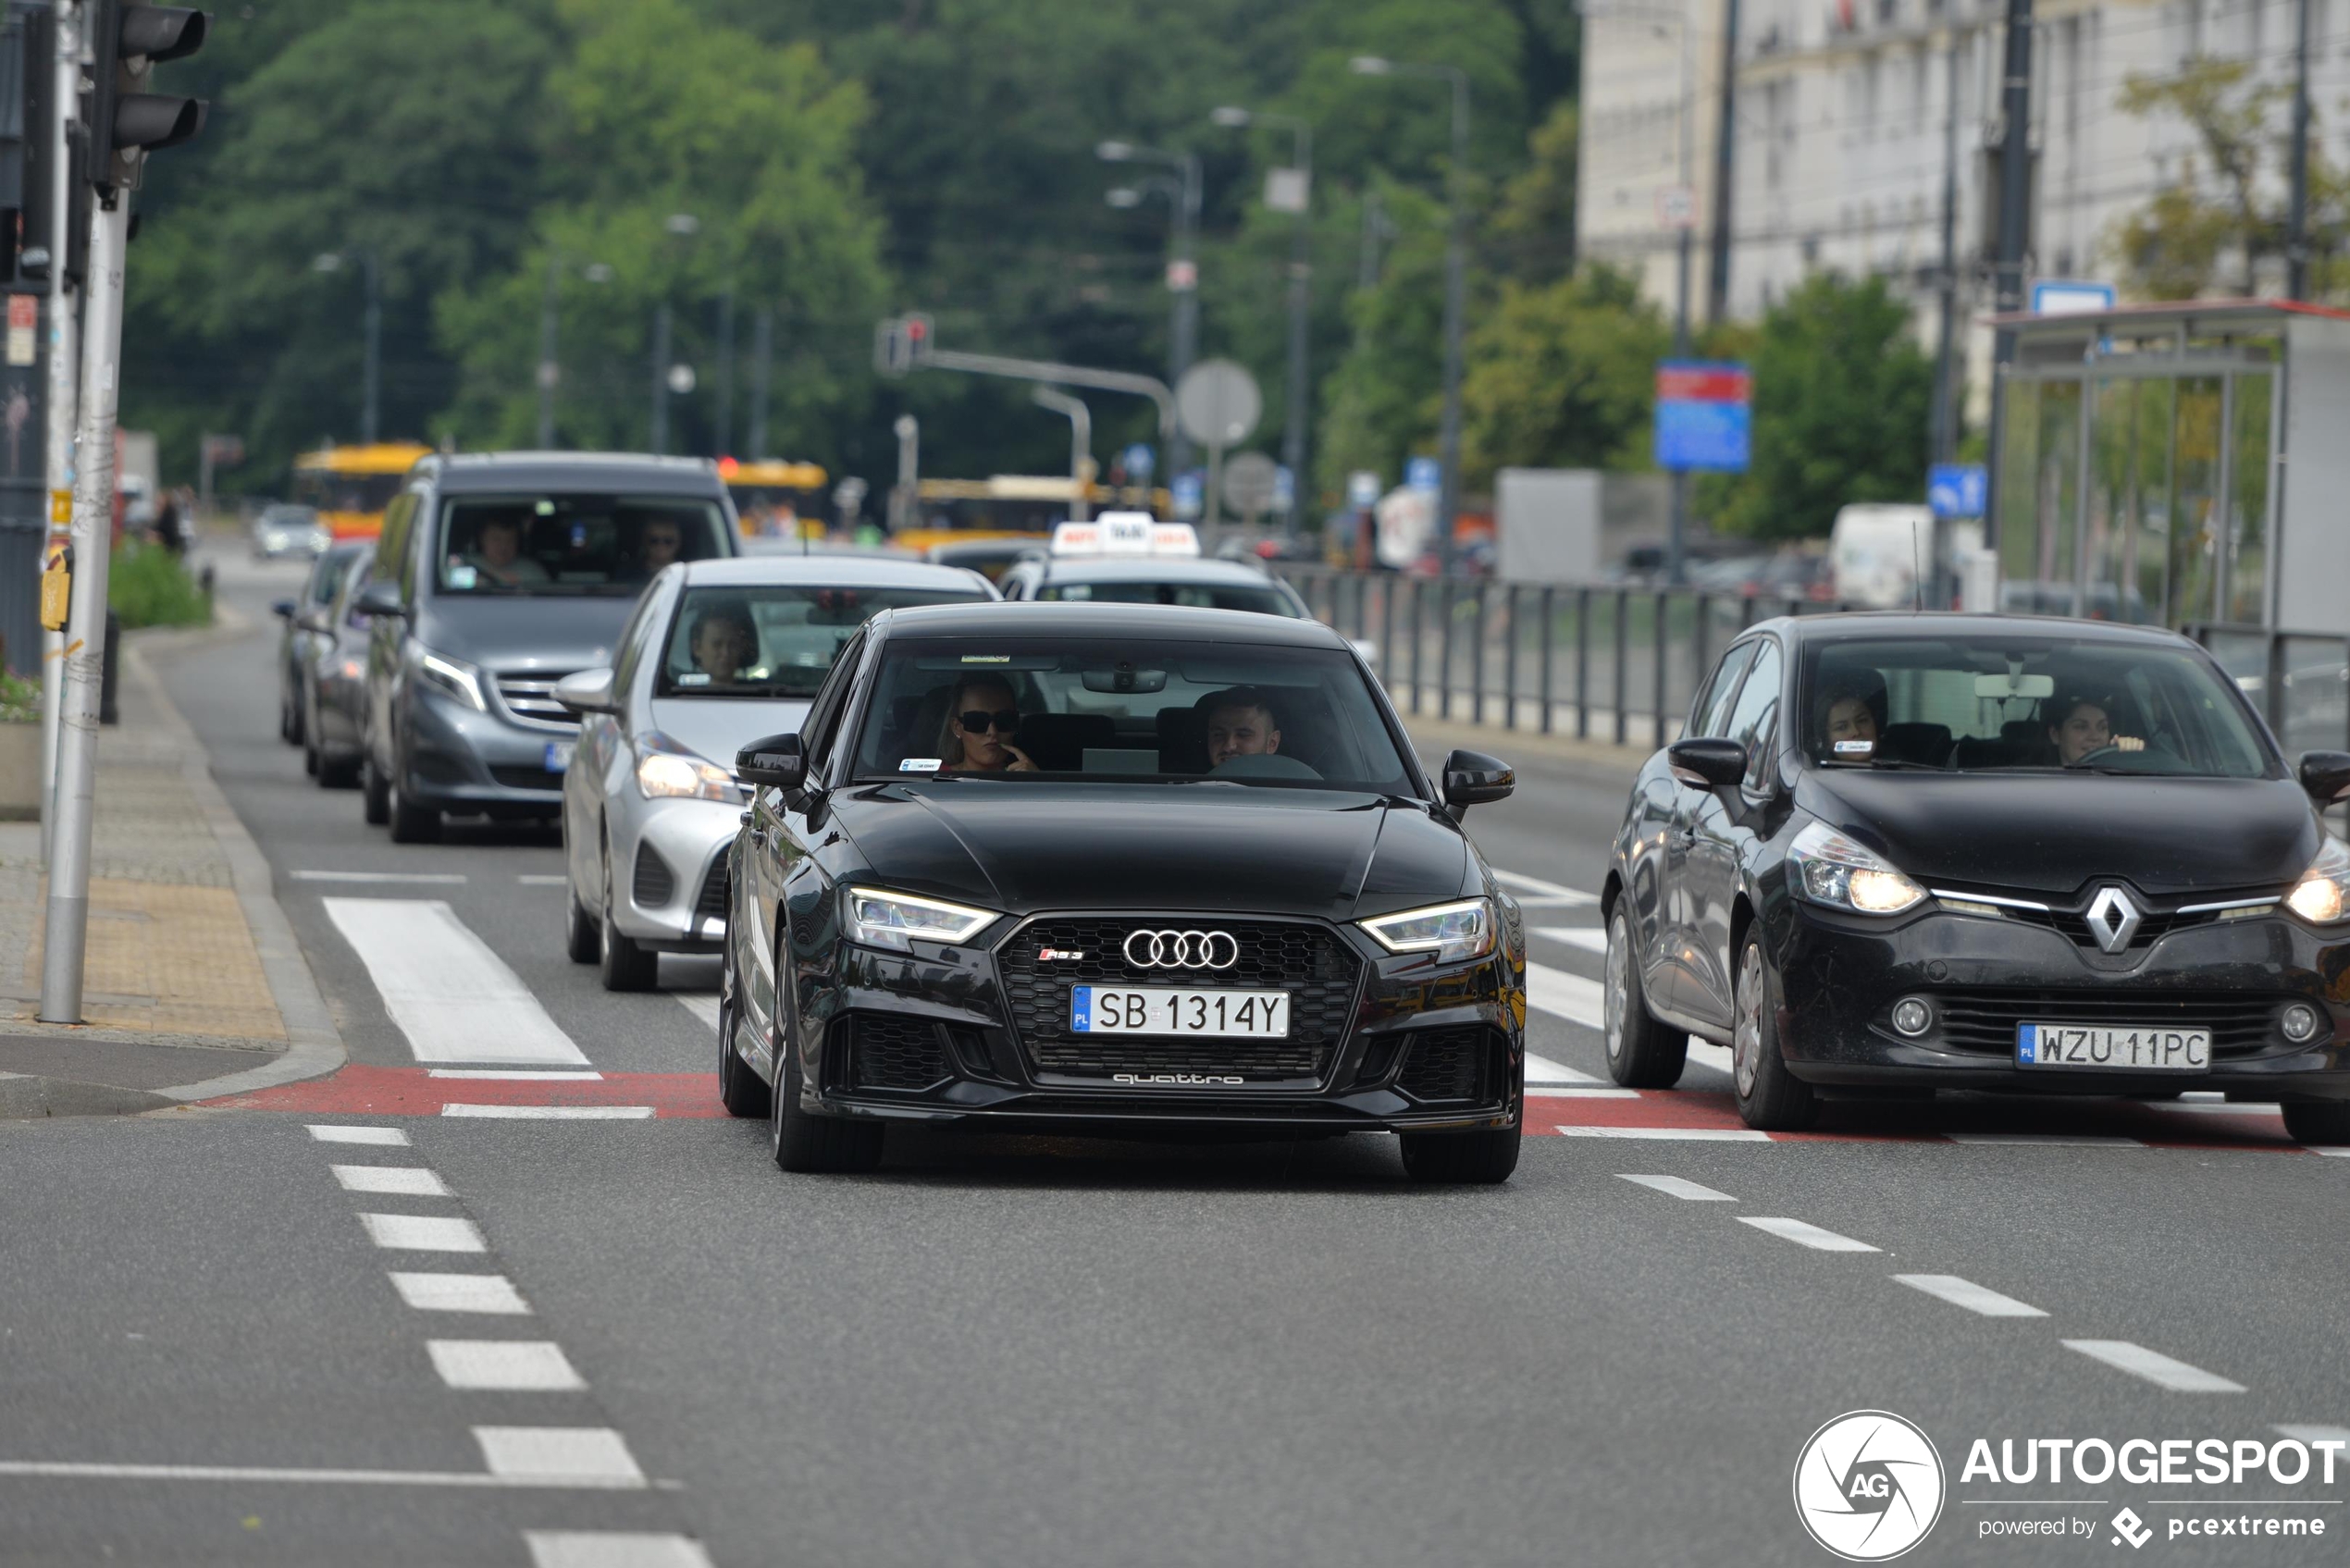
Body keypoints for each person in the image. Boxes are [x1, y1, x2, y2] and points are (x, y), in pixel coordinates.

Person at [939, 676, 1034, 772]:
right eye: (977, 721)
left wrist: (1034, 781)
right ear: (956, 727)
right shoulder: (934, 781)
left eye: (1004, 720)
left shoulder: (1031, 781)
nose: (992, 731)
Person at [2047, 694, 2145, 766]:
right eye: (2081, 727)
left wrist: (2129, 758)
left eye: (2102, 728)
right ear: (2055, 735)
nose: (2095, 737)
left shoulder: (2116, 779)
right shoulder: (2040, 782)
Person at [1205, 689, 1283, 770]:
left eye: (1243, 735)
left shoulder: (1292, 782)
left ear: (1271, 743)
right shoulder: (1194, 782)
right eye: (1218, 735)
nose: (1228, 746)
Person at [462, 516, 549, 586]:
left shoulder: (532, 572)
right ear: (482, 540)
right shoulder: (465, 565)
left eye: (510, 540)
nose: (503, 546)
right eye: (496, 539)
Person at [686, 601, 761, 685]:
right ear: (697, 648)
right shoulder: (680, 696)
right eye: (717, 645)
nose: (726, 653)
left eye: (733, 645)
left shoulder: (765, 695)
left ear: (741, 647)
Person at [1821, 685, 1881, 758]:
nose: (1856, 732)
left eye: (1862, 721)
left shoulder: (1896, 764)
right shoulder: (1808, 768)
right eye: (1842, 727)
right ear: (1826, 739)